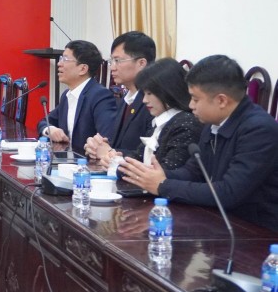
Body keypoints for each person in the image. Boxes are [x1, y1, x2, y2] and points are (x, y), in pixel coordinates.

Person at [119, 55, 278, 231]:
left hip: (257, 231)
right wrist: (157, 176)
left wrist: (163, 185)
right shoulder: (212, 123)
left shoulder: (259, 130)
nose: (190, 105)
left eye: (195, 99)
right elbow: (194, 172)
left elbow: (229, 192)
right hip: (217, 221)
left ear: (221, 100)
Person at [98, 58, 202, 170]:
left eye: (149, 93)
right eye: (143, 94)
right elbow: (138, 157)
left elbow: (164, 172)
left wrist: (116, 164)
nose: (144, 100)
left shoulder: (185, 124)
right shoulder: (160, 121)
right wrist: (112, 158)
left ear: (168, 91)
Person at [36, 40, 118, 154]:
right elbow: (44, 121)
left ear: (83, 69)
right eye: (61, 58)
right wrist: (50, 129)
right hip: (66, 160)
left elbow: (106, 140)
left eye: (65, 59)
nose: (59, 64)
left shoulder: (100, 96)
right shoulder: (67, 95)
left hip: (88, 162)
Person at [85, 31, 156, 159]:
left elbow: (150, 154)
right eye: (112, 60)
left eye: (118, 60)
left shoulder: (154, 102)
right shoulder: (125, 99)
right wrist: (97, 146)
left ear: (141, 63)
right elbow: (116, 143)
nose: (112, 67)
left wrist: (109, 152)